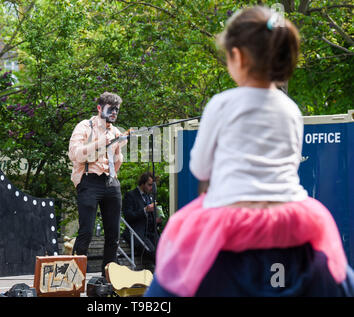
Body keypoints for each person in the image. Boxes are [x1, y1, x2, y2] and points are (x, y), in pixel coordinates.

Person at [145, 6, 354, 297]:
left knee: (170, 280)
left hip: (230, 212)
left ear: (239, 57)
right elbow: (290, 166)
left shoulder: (221, 103)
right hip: (292, 214)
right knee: (339, 279)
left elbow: (200, 168)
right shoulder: (290, 109)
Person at [68, 92, 128, 277]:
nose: (114, 112)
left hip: (110, 181)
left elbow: (117, 162)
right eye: (111, 108)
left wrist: (120, 149)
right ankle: (75, 279)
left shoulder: (115, 131)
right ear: (100, 108)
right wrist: (99, 143)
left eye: (117, 109)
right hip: (89, 180)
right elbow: (75, 154)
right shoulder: (85, 126)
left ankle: (108, 278)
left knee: (113, 234)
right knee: (86, 231)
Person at [122, 172, 161, 268]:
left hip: (151, 232)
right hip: (138, 233)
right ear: (142, 184)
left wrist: (156, 218)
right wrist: (145, 210)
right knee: (153, 252)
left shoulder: (150, 197)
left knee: (163, 250)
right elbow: (128, 216)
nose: (151, 188)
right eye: (149, 185)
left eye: (153, 185)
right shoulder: (130, 195)